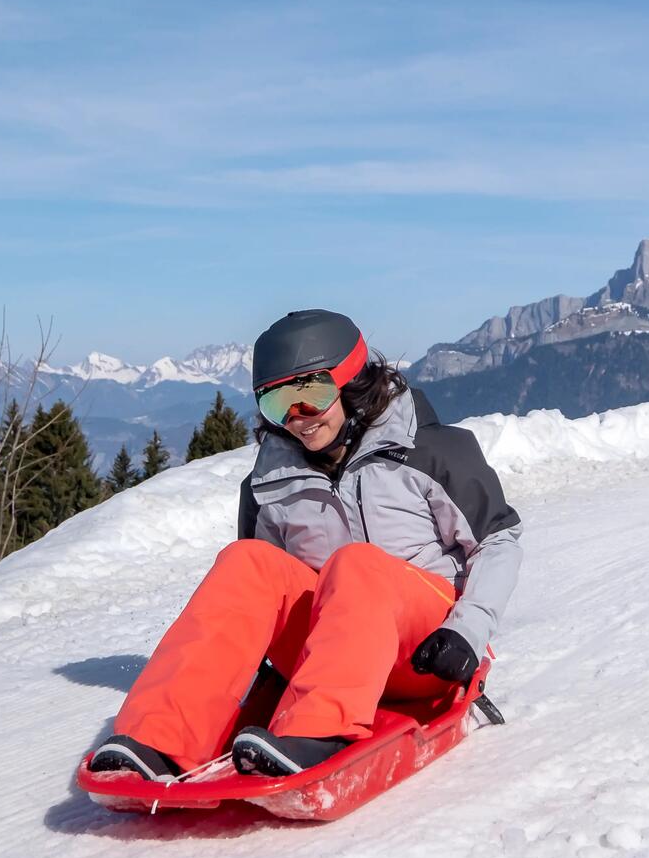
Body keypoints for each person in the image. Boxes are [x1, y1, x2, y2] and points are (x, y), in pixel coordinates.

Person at [89, 309, 524, 780]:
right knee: (247, 562)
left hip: (425, 650)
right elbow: (259, 602)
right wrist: (267, 682)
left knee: (357, 565)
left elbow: (498, 541)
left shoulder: (433, 451)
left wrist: (467, 631)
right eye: (279, 405)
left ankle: (318, 729)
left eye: (312, 396)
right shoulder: (270, 481)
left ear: (353, 384)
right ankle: (160, 735)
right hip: (331, 651)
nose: (299, 418)